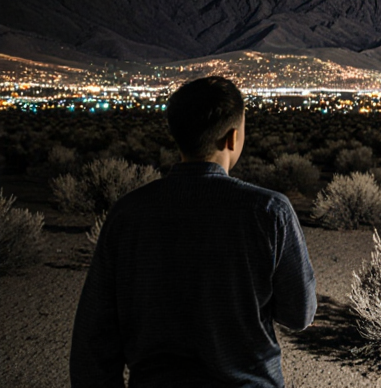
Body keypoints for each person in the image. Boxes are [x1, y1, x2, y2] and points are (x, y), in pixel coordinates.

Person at [70, 76, 317, 387]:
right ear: (232, 138)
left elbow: (94, 339)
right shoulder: (269, 212)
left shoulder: (128, 214)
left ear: (177, 135)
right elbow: (299, 314)